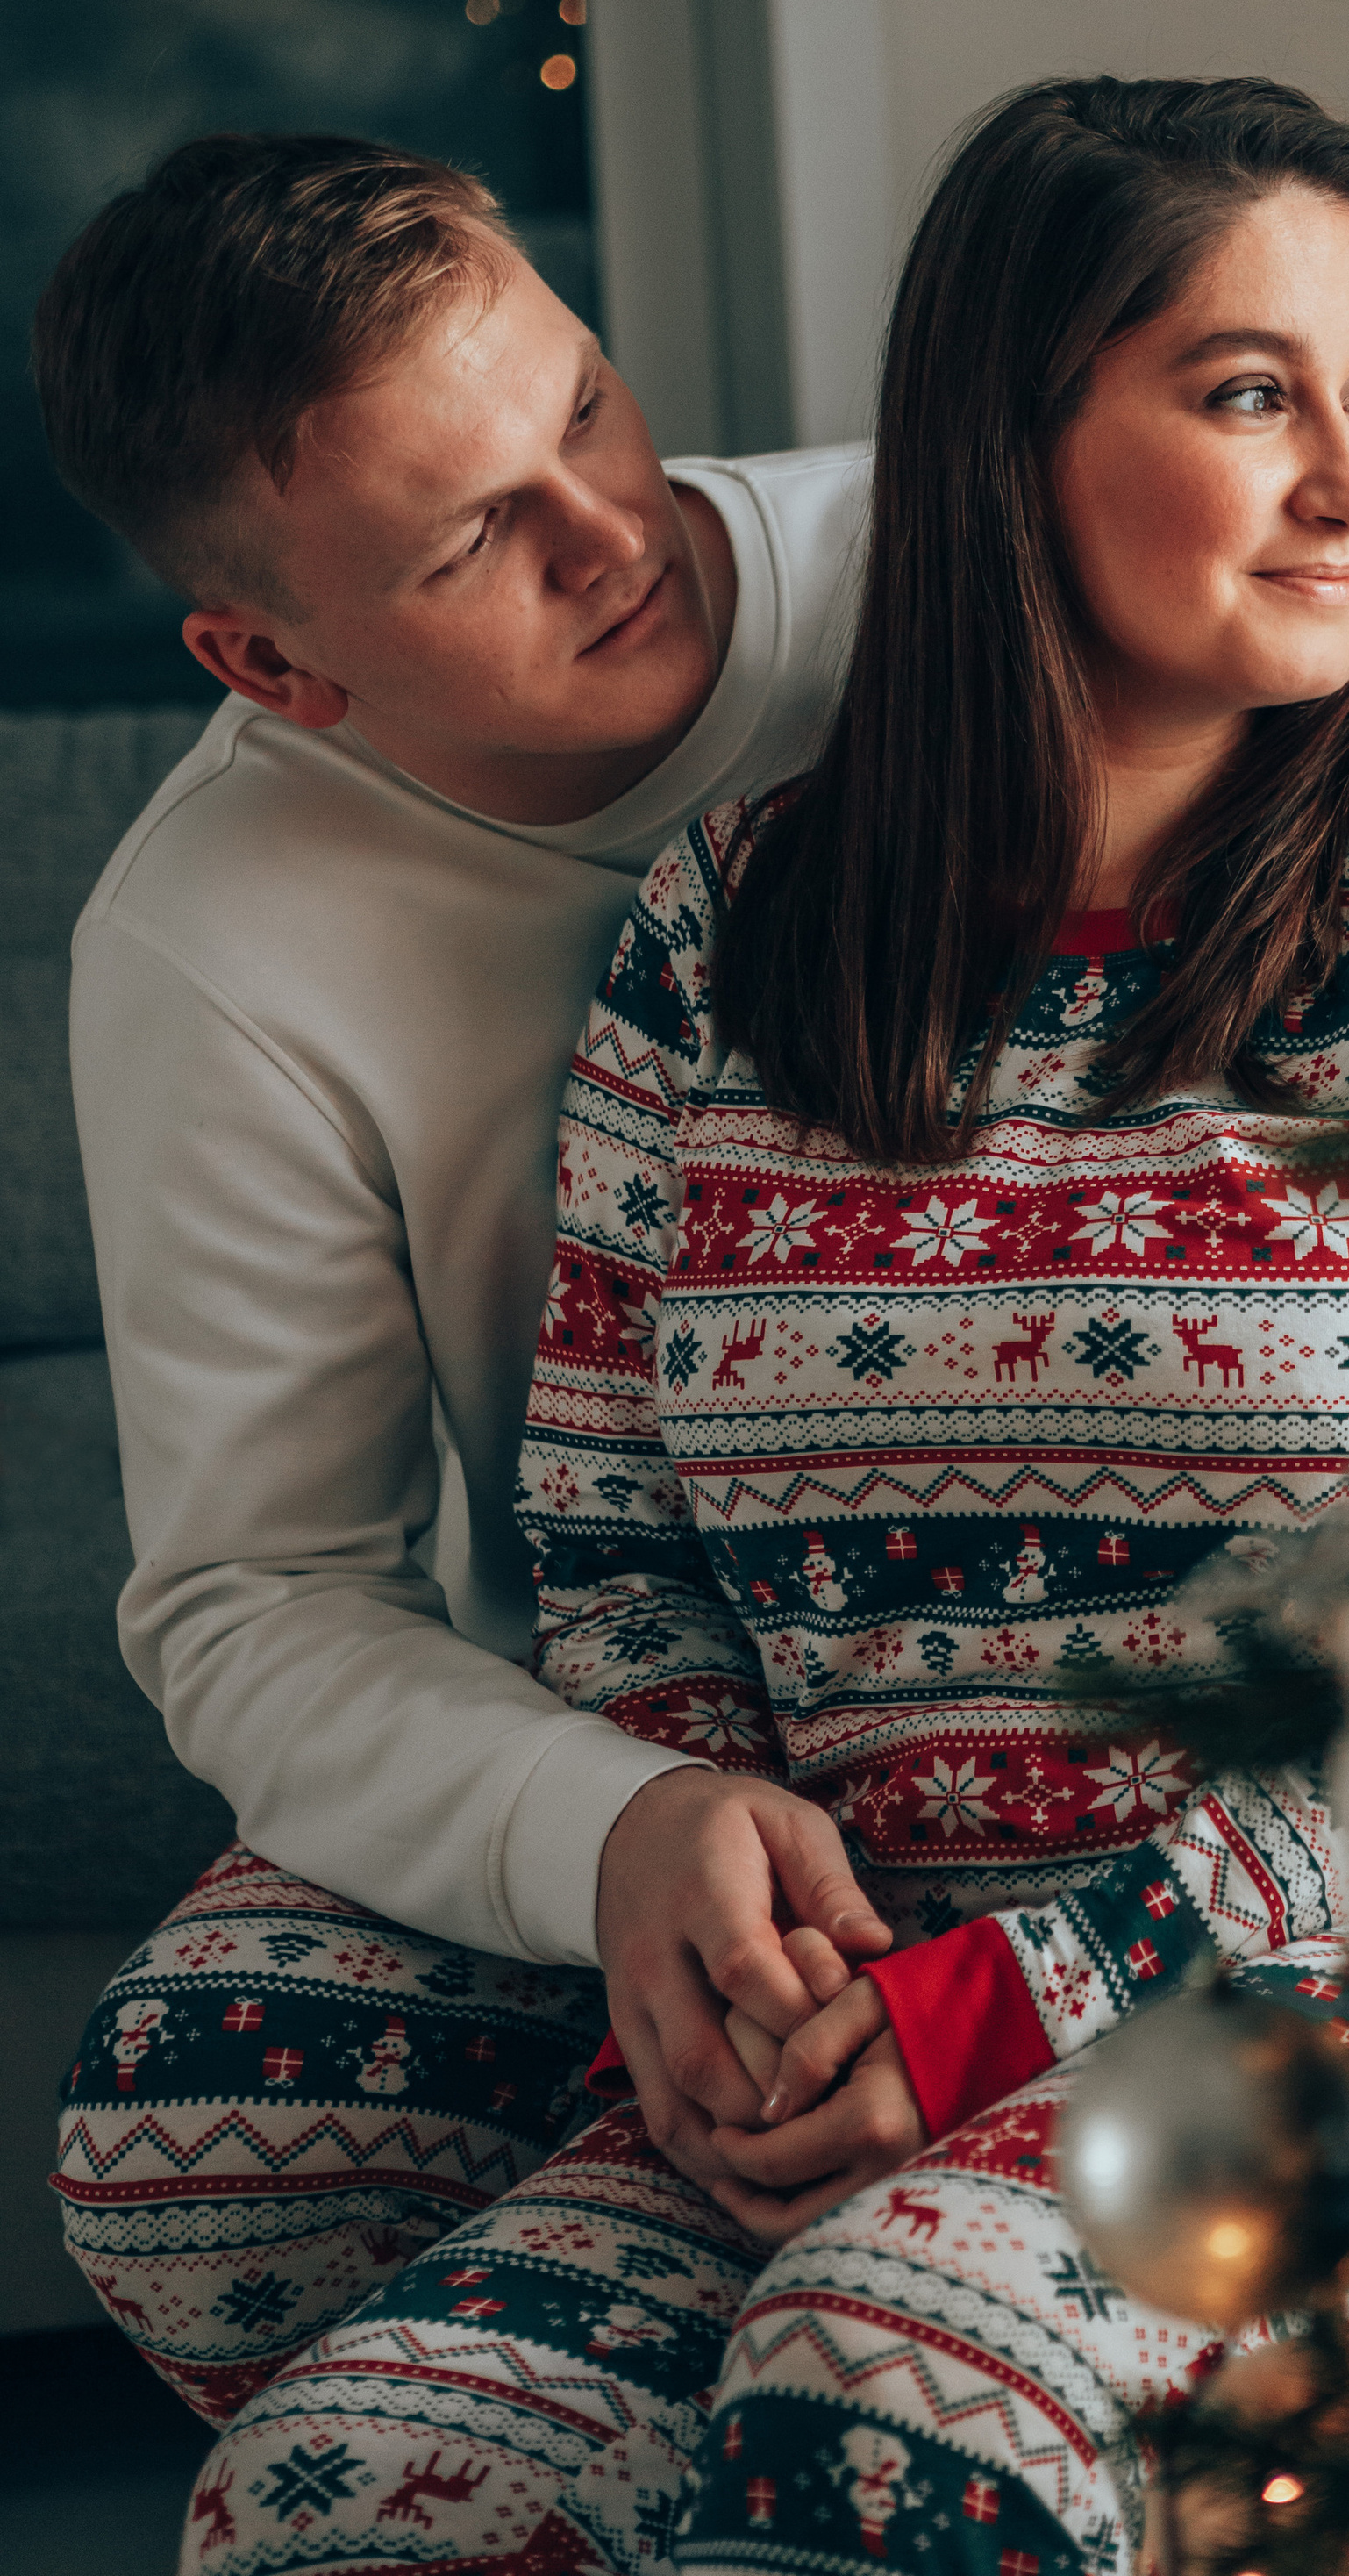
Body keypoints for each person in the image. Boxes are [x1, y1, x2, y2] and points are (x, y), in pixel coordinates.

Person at [197, 78, 1349, 2576]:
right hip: (877, 2002)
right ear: (1007, 442)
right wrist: (750, 1968)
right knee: (336, 2493)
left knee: (894, 2388)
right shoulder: (732, 922)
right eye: (1251, 393)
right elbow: (616, 1547)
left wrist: (1041, 1995)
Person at [38, 133, 891, 2422]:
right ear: (270, 660)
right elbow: (252, 1601)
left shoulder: (948, 567)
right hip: (615, 1721)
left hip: (1111, 1617)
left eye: (586, 408)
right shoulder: (209, 946)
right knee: (184, 2140)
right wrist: (599, 1829)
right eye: (469, 534)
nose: (611, 532)